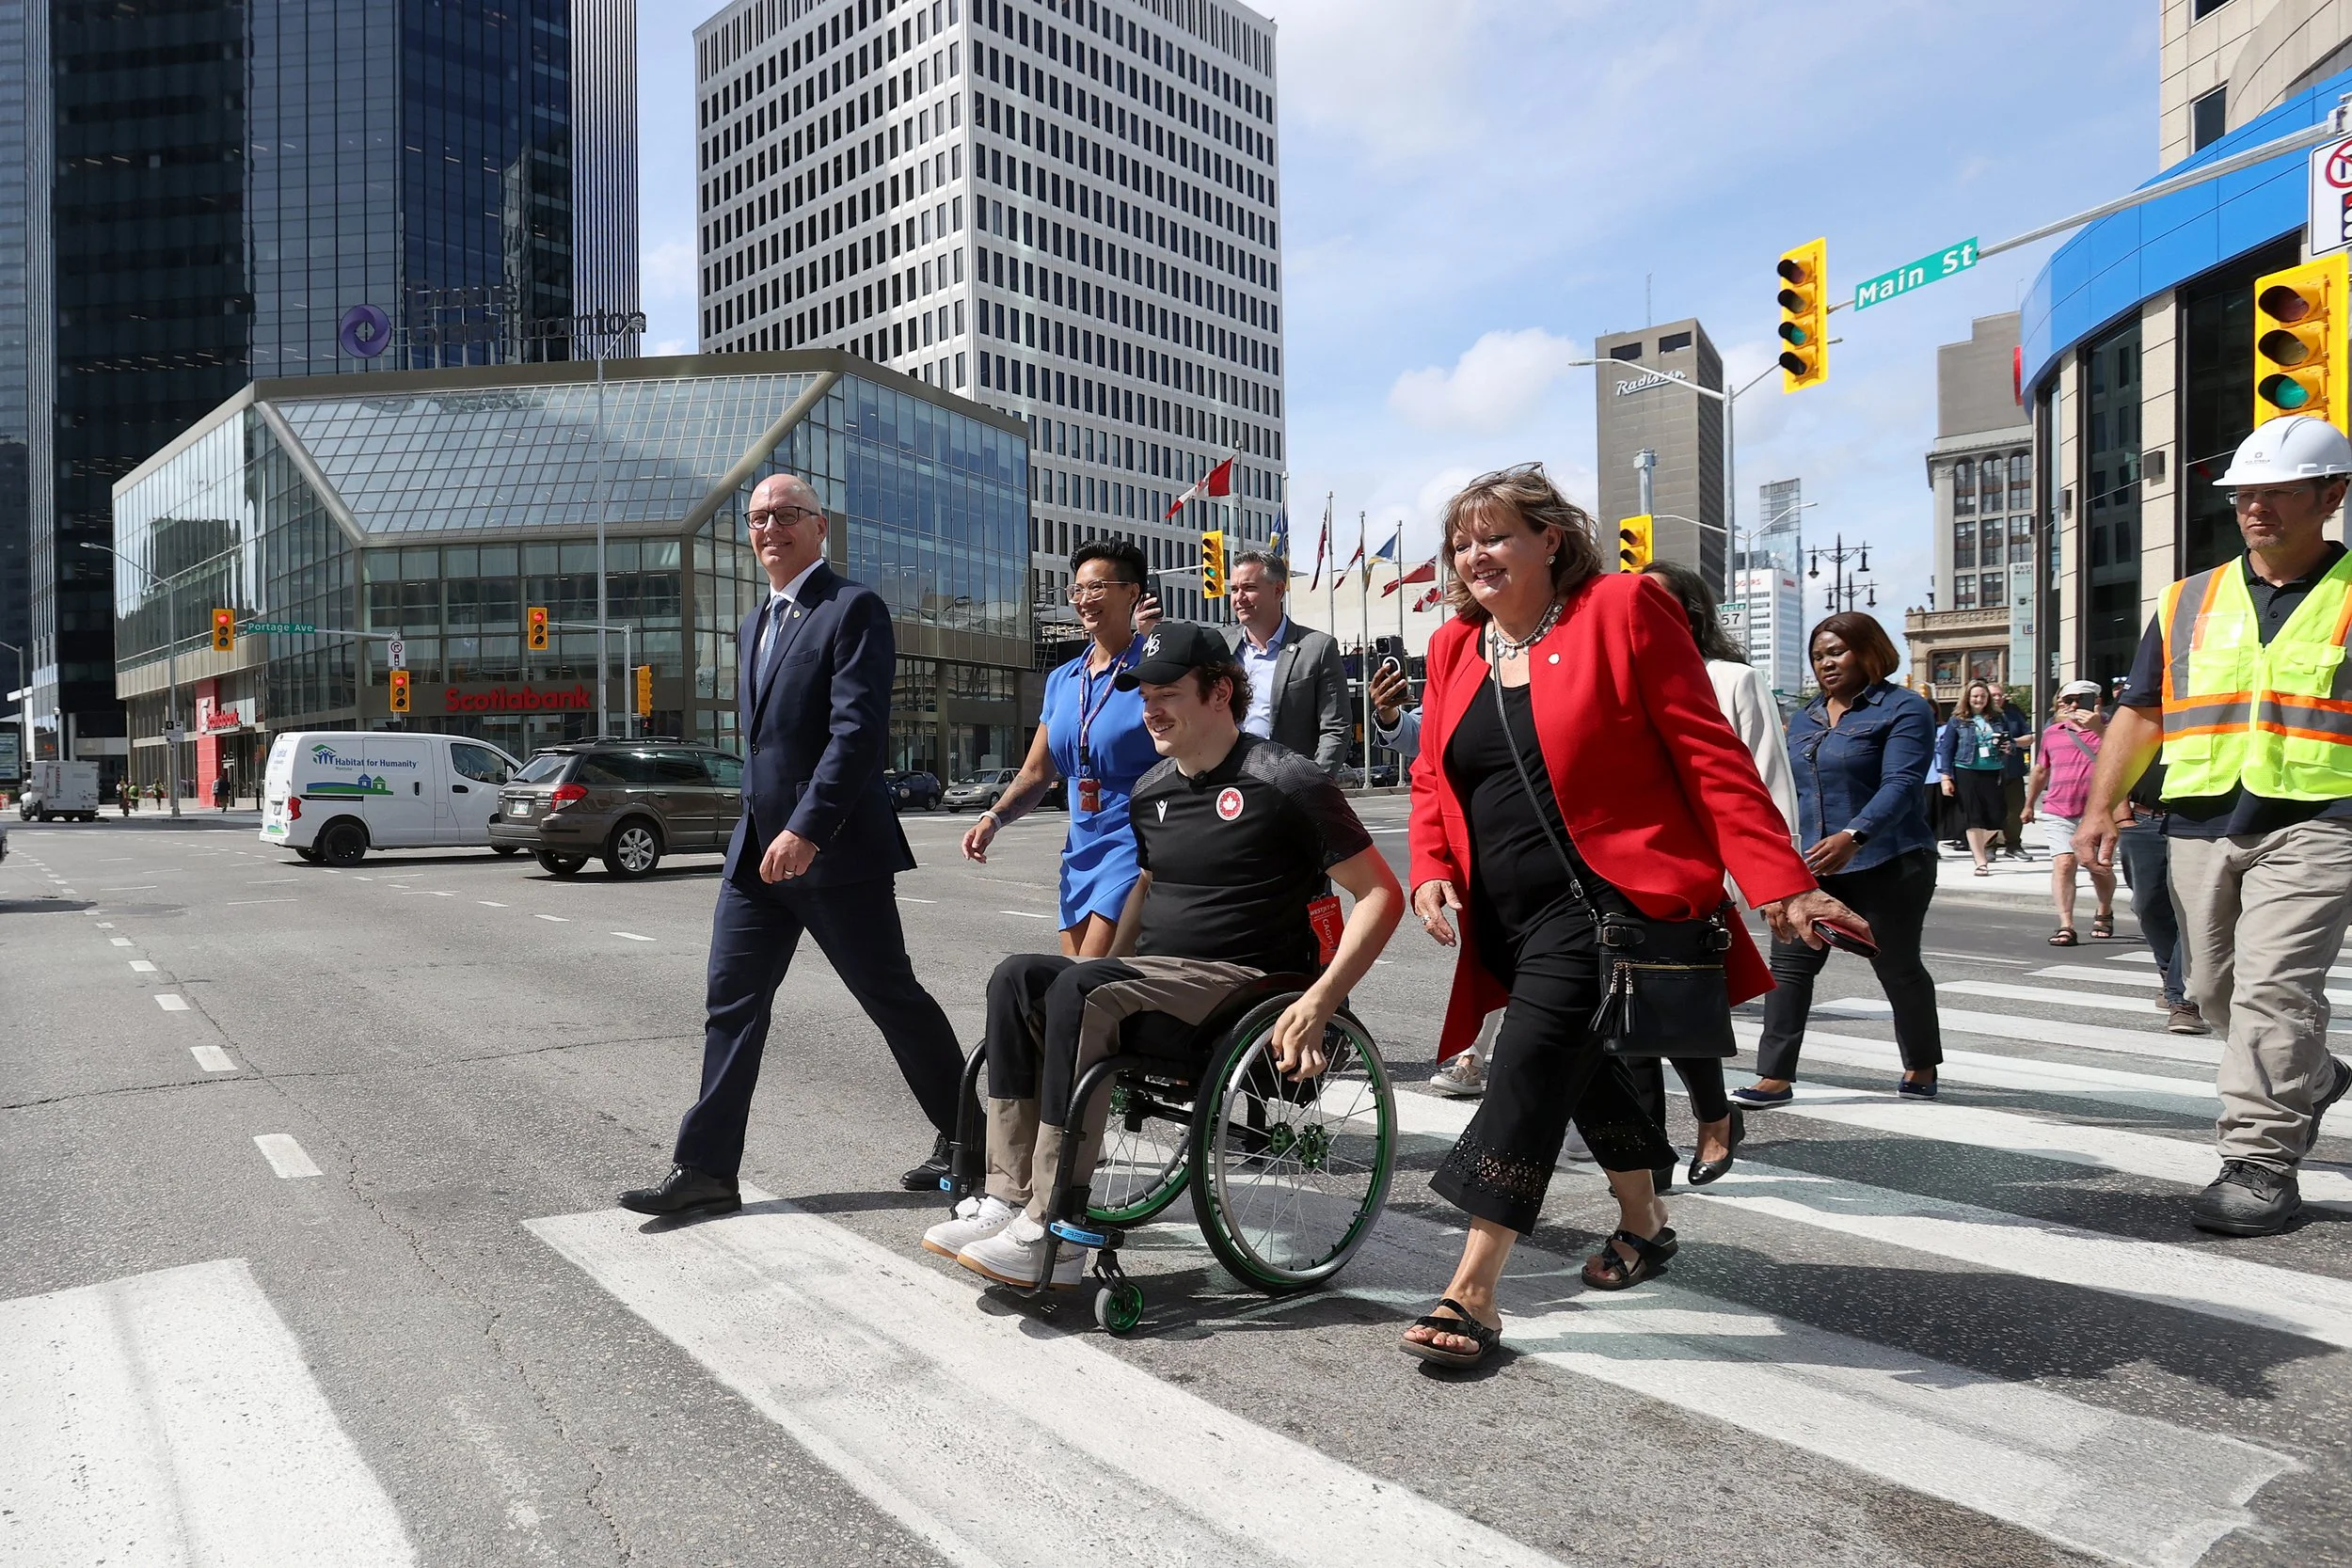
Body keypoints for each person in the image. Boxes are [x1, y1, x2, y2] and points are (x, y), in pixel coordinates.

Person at [1398, 464, 1856, 1369]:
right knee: (1587, 1065)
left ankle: (1474, 1288)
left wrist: (1781, 883)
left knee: (1528, 1065)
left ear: (1550, 540)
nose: (1473, 555)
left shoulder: (1623, 609)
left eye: (1494, 536)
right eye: (1461, 542)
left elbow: (1709, 755)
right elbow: (1430, 778)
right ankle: (1646, 1222)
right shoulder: (1456, 648)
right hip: (1509, 910)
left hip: (1606, 900)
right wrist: (1430, 868)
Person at [922, 622, 1402, 1286]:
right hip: (1159, 976)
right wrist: (1094, 965)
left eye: (1167, 692)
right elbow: (1146, 889)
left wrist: (1320, 1001)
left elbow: (1380, 893)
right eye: (1143, 693)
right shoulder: (1151, 790)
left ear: (1219, 693)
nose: (1149, 707)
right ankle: (1005, 1197)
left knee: (1081, 992)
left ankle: (1057, 1227)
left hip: (1246, 983)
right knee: (1018, 977)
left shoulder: (1285, 781)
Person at [621, 472, 968, 1218]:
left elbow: (855, 735)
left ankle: (973, 1136)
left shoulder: (854, 609)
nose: (769, 527)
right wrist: (765, 830)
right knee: (731, 1004)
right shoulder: (753, 625)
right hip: (756, 858)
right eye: (757, 517)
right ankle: (707, 1169)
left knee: (892, 1000)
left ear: (820, 528)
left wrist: (807, 828)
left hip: (835, 852)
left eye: (786, 514)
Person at [2075, 413, 2352, 1236]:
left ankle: (2260, 1163)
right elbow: (2142, 710)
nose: (2256, 508)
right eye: (2244, 495)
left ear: (2331, 495)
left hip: (2320, 817)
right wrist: (2100, 805)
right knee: (2210, 990)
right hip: (2201, 820)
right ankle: (2312, 1072)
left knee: (2274, 990)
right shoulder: (2188, 598)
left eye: (2277, 493)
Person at [1633, 559, 1798, 1185]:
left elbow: (1769, 782)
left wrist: (1779, 879)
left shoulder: (1731, 679)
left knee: (1678, 1011)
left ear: (1689, 614)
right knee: (1627, 1023)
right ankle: (1648, 1157)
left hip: (1699, 880)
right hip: (1626, 876)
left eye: (1654, 601)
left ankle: (1714, 1117)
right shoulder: (1618, 681)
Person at [1736, 613, 1943, 1107]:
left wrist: (1855, 835)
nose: (1826, 663)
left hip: (1890, 862)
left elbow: (1901, 783)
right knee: (1788, 968)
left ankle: (1921, 1064)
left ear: (1869, 650)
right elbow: (1782, 790)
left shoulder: (1904, 708)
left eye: (1836, 651)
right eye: (1818, 656)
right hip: (1810, 868)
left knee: (1897, 966)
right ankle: (1774, 1076)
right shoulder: (1805, 718)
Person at [961, 540, 1161, 957]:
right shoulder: (1063, 679)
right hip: (1081, 846)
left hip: (1136, 842)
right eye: (1078, 590)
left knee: (1090, 981)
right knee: (1075, 986)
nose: (1085, 600)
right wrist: (992, 819)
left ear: (1133, 593)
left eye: (1099, 588)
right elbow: (1037, 772)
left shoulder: (1155, 670)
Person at [1222, 549, 1351, 773]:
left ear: (1278, 590)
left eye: (1249, 588)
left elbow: (1335, 728)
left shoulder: (1317, 648)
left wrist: (1314, 783)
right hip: (1228, 781)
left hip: (1288, 782)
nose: (1239, 598)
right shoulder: (1220, 645)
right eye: (1234, 589)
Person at [2109, 751, 2206, 1035]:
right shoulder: (2143, 712)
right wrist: (2122, 817)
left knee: (2193, 909)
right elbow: (2116, 761)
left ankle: (2183, 1000)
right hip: (2142, 820)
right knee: (2146, 905)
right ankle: (2169, 970)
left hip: (2199, 823)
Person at [2023, 679, 2114, 946]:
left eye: (2080, 700)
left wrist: (2099, 730)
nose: (2074, 706)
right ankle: (2066, 924)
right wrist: (2029, 804)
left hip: (2096, 813)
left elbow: (2124, 760)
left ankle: (2104, 909)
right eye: (2068, 700)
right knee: (2064, 864)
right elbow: (2041, 770)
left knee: (2096, 867)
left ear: (2095, 701)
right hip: (2058, 809)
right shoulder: (2053, 732)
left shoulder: (2111, 729)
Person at [1936, 680, 2011, 875]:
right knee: (1973, 817)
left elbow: (2007, 740)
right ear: (1968, 698)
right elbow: (1947, 749)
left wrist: (2007, 747)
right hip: (1966, 769)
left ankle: (1975, 843)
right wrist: (1946, 777)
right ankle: (1980, 861)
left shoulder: (1997, 718)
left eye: (1983, 696)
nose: (1979, 700)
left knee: (1997, 816)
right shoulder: (1957, 720)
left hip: (1993, 769)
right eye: (1975, 696)